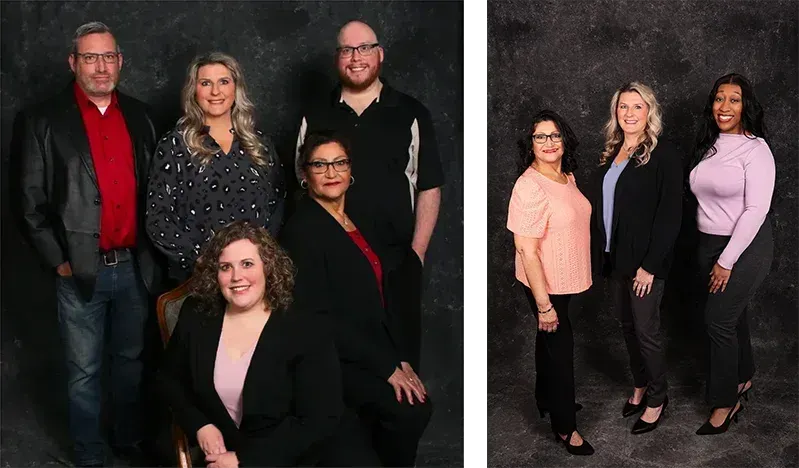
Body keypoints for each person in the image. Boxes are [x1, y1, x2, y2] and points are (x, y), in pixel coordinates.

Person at [17, 21, 164, 468]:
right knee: (84, 372)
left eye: (108, 57)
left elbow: (157, 191)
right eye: (90, 57)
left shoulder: (142, 116)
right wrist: (59, 261)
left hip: (135, 266)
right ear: (73, 63)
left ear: (120, 61)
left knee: (131, 363)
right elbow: (28, 202)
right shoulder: (43, 120)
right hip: (80, 268)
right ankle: (90, 455)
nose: (100, 67)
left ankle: (127, 441)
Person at [157, 221, 380, 467]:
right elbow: (169, 379)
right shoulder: (197, 315)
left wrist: (243, 460)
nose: (236, 277)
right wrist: (200, 424)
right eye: (225, 267)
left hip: (301, 457)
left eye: (247, 264)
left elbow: (318, 420)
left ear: (268, 267)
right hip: (227, 454)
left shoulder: (306, 327)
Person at [294, 20, 445, 371]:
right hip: (332, 266)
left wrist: (416, 255)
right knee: (339, 366)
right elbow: (302, 183)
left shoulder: (411, 113)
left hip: (395, 264)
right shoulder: (314, 115)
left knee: (402, 374)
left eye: (364, 48)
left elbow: (429, 185)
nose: (356, 57)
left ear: (380, 54)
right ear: (337, 58)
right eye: (347, 50)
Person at [280, 131, 432, 467]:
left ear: (350, 170)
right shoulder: (301, 230)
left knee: (414, 405)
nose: (331, 172)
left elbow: (378, 301)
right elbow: (317, 318)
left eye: (339, 163)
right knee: (407, 411)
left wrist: (398, 358)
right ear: (305, 174)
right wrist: (385, 367)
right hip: (330, 359)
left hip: (367, 347)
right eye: (319, 165)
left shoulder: (356, 219)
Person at [145, 52, 285, 286]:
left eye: (223, 82)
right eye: (205, 83)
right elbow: (157, 218)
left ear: (236, 88)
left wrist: (258, 257)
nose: (215, 92)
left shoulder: (259, 145)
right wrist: (203, 261)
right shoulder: (174, 146)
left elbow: (277, 205)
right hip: (198, 277)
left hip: (254, 276)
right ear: (194, 91)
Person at [590, 82, 682, 434]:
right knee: (628, 328)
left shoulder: (663, 155)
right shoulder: (613, 151)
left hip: (645, 264)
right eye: (623, 106)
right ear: (616, 112)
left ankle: (658, 398)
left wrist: (650, 266)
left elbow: (670, 216)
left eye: (637, 106)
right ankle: (640, 385)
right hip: (615, 259)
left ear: (649, 112)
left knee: (646, 331)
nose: (629, 113)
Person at [689, 73, 775, 435]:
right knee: (732, 316)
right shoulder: (709, 144)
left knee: (718, 321)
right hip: (708, 243)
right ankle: (742, 376)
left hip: (744, 246)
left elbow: (756, 210)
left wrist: (726, 261)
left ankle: (725, 402)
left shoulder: (756, 150)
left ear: (745, 106)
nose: (724, 107)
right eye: (719, 98)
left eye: (734, 99)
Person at [506, 110, 594, 455]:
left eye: (554, 135)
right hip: (543, 282)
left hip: (563, 277)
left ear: (564, 140)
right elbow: (526, 250)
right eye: (540, 137)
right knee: (560, 349)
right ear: (530, 144)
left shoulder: (565, 175)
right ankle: (565, 426)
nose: (548, 143)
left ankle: (546, 399)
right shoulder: (529, 186)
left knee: (549, 341)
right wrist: (544, 306)